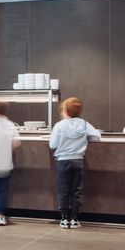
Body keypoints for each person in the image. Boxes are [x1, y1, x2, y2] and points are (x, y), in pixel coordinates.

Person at [49, 97, 101, 229]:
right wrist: (86, 138)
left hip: (63, 161)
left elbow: (53, 144)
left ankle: (64, 218)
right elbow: (97, 136)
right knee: (76, 190)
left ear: (65, 112)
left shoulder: (59, 125)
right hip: (78, 161)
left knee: (63, 190)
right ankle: (74, 219)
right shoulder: (84, 124)